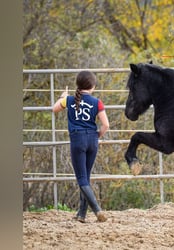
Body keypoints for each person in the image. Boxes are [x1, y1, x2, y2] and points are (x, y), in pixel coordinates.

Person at [52, 71, 109, 223]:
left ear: (78, 85)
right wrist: (96, 136)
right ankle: (81, 214)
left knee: (82, 179)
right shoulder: (97, 102)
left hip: (77, 139)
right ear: (93, 86)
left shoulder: (69, 100)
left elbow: (54, 109)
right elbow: (106, 125)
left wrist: (62, 97)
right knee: (86, 178)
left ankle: (97, 210)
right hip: (92, 139)